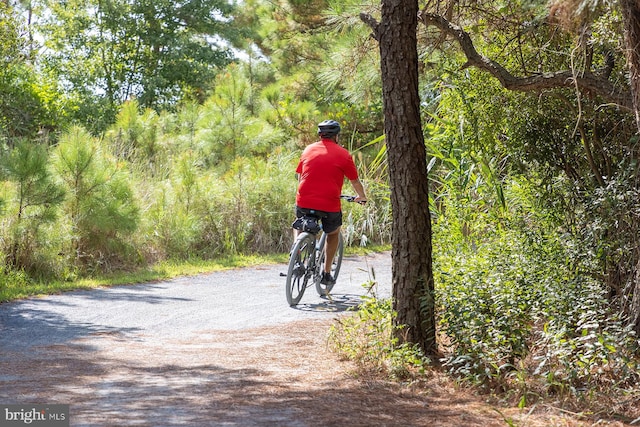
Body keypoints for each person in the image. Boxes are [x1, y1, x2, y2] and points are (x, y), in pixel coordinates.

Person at [294, 119, 367, 286]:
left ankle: (296, 253)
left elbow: (300, 175)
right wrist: (361, 197)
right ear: (336, 136)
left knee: (298, 224)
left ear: (320, 135)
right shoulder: (343, 154)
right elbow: (355, 181)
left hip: (304, 198)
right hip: (329, 203)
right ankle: (326, 273)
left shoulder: (308, 149)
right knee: (333, 233)